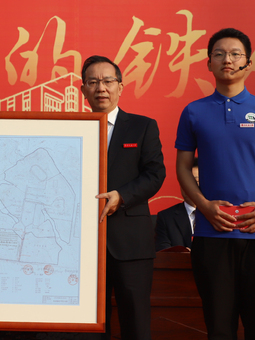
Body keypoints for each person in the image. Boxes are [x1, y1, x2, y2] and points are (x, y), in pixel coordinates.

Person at [175, 28, 255, 340]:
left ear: (248, 63)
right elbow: (183, 167)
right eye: (219, 54)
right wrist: (204, 206)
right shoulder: (193, 112)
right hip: (211, 232)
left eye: (234, 54)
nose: (226, 59)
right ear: (209, 63)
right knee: (218, 328)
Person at [80, 55, 165, 340]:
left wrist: (122, 196)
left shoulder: (142, 126)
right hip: (82, 245)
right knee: (89, 326)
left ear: (120, 86)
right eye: (93, 82)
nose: (101, 88)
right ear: (83, 89)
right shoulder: (71, 128)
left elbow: (155, 174)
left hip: (131, 243)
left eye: (107, 81)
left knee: (135, 324)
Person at [155, 158, 199, 251]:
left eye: (194, 182)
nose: (188, 186)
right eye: (185, 181)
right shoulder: (166, 217)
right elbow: (163, 251)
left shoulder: (218, 215)